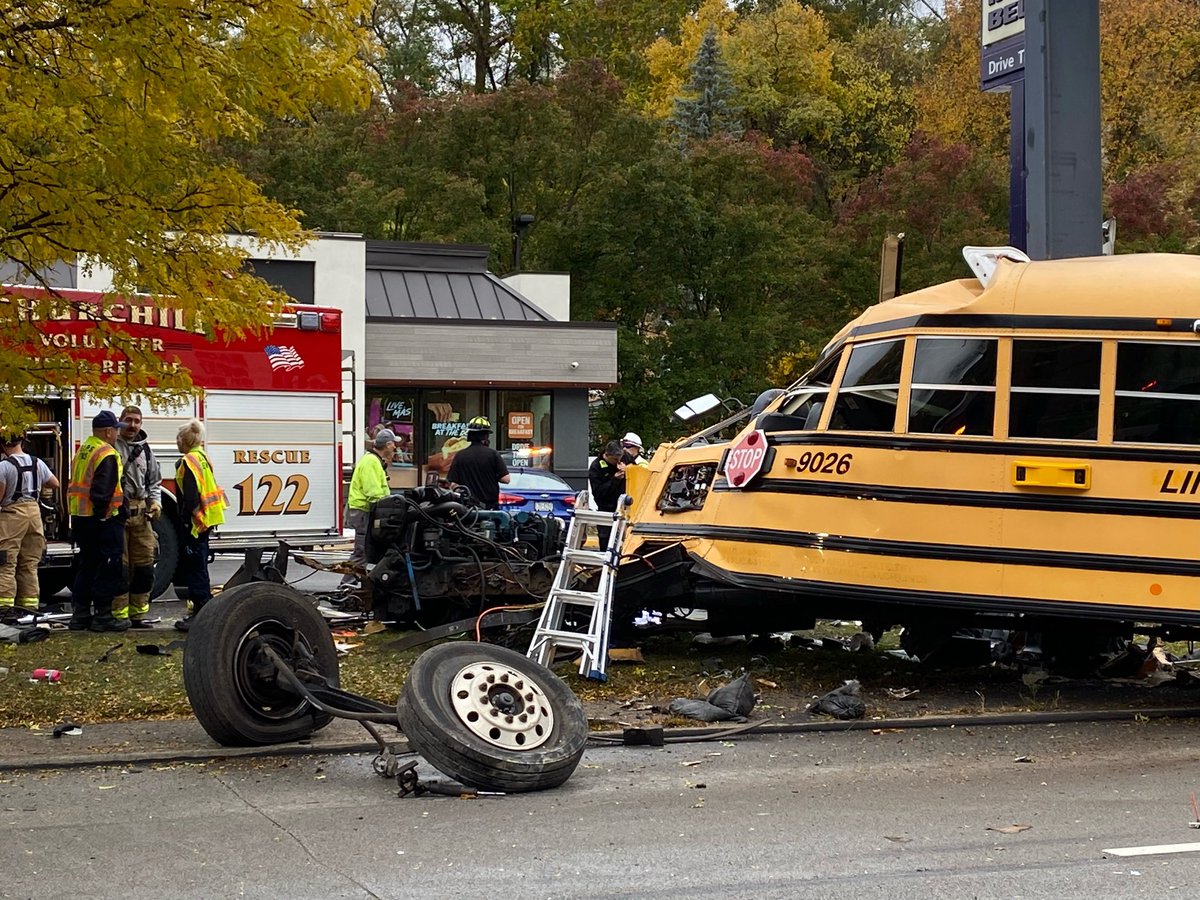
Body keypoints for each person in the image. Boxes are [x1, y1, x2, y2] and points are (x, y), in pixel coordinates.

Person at [67, 410, 128, 632]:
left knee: (87, 565)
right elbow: (102, 491)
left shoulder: (84, 450)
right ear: (108, 431)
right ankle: (103, 616)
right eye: (116, 429)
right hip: (102, 520)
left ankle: (80, 614)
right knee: (108, 566)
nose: (118, 433)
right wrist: (104, 516)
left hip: (81, 518)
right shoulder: (107, 453)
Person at [173, 419, 228, 632]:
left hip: (196, 524)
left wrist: (191, 520)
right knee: (200, 565)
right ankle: (203, 610)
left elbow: (190, 498)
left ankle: (201, 613)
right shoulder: (203, 457)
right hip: (208, 520)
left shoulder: (187, 461)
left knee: (195, 568)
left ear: (184, 440)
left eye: (178, 438)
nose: (176, 442)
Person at [112, 405, 163, 629]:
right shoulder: (111, 446)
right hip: (118, 514)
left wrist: (156, 503)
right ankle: (118, 615)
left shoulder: (146, 451)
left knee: (144, 565)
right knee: (119, 568)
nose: (133, 425)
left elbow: (155, 482)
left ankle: (138, 615)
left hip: (142, 515)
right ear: (120, 421)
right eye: (129, 420)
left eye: (137, 421)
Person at [0, 434, 59, 624]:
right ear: (21, 442)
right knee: (29, 564)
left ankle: (4, 609)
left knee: (6, 562)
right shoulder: (37, 463)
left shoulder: (3, 467)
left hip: (12, 515)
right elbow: (55, 483)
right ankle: (29, 608)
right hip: (34, 515)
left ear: (2, 445)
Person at [341, 428, 396, 587]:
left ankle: (361, 582)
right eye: (393, 445)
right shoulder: (371, 462)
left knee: (368, 550)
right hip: (363, 512)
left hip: (364, 511)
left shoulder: (373, 461)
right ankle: (347, 584)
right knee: (362, 551)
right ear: (387, 444)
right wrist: (390, 504)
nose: (395, 448)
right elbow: (373, 493)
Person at [447, 416, 509, 509]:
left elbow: (453, 484)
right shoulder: (493, 454)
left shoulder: (460, 455)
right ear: (485, 436)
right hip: (489, 509)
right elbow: (506, 479)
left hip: (467, 509)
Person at [588, 439, 626, 549]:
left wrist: (628, 469)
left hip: (625, 508)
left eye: (619, 459)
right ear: (607, 454)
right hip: (606, 508)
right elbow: (599, 493)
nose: (617, 462)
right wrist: (615, 480)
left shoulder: (625, 459)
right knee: (606, 540)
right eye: (615, 459)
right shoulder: (596, 467)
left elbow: (638, 471)